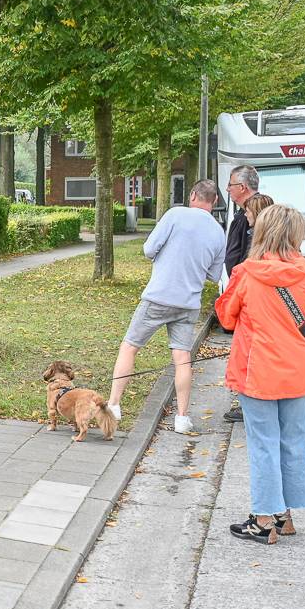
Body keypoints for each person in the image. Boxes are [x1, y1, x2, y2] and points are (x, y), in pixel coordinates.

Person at [213, 204, 305, 544]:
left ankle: (262, 520)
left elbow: (227, 318)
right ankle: (284, 515)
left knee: (263, 445)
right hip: (297, 370)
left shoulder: (246, 274)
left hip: (257, 371)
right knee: (293, 443)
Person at [106, 179, 226, 434]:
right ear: (214, 201)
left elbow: (149, 249)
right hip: (188, 303)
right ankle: (182, 418)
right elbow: (215, 276)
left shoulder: (175, 214)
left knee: (130, 347)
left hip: (158, 297)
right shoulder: (218, 231)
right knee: (182, 359)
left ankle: (114, 404)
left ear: (193, 195)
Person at [221, 165, 260, 423]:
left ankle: (251, 403)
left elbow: (248, 255)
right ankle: (248, 401)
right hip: (243, 289)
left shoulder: (254, 215)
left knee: (250, 352)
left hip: (249, 293)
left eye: (231, 185)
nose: (228, 189)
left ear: (242, 187)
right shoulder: (243, 215)